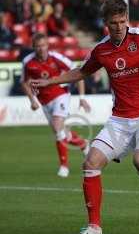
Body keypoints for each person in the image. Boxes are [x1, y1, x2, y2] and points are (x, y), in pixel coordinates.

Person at [30, 0, 139, 234]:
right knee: (91, 163)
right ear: (105, 24)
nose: (119, 26)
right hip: (120, 118)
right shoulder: (101, 50)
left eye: (122, 21)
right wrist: (50, 81)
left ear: (127, 19)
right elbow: (81, 71)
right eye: (114, 23)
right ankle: (94, 229)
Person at [21, 33, 91, 178]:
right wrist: (32, 100)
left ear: (48, 45)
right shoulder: (28, 62)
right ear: (33, 47)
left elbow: (79, 72)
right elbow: (24, 82)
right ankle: (83, 143)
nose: (41, 49)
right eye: (38, 46)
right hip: (44, 101)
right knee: (61, 132)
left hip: (61, 94)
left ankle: (64, 167)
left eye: (43, 45)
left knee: (58, 126)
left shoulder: (57, 58)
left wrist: (82, 97)